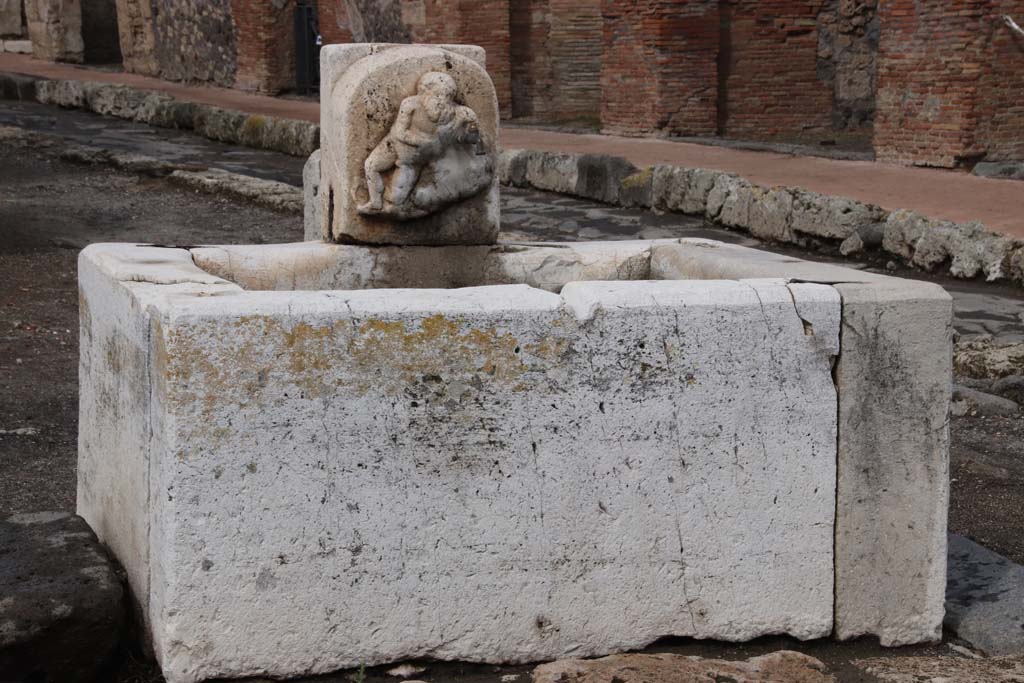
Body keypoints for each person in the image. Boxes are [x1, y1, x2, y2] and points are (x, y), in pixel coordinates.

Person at [360, 71, 464, 213]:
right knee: (371, 165)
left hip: (414, 157)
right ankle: (375, 202)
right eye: (438, 94)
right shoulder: (410, 104)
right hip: (393, 144)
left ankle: (405, 202)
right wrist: (421, 140)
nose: (442, 99)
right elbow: (399, 132)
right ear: (426, 91)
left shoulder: (450, 112)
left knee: (397, 199)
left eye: (447, 96)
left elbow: (449, 138)